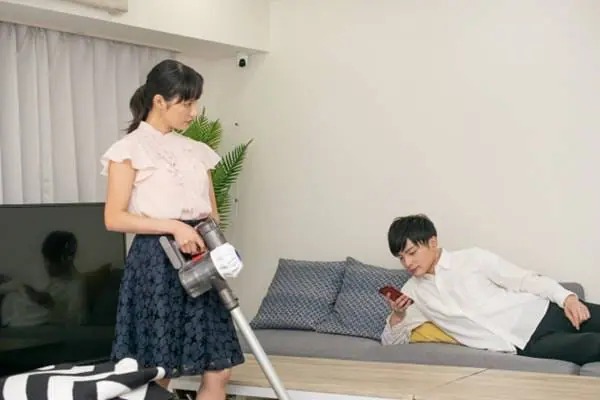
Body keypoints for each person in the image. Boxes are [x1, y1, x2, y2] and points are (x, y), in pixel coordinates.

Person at [100, 59, 244, 400]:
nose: (193, 112)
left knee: (219, 368)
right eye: (186, 103)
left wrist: (220, 249)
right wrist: (174, 227)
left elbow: (210, 213)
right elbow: (114, 218)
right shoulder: (128, 151)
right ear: (159, 101)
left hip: (200, 257)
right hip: (156, 264)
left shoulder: (198, 152)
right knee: (158, 371)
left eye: (195, 103)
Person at [381, 214, 600, 366]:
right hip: (525, 345)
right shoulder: (412, 293)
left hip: (543, 312)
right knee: (594, 346)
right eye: (401, 258)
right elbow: (390, 345)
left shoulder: (471, 259)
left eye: (412, 252)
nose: (407, 263)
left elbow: (524, 280)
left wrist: (567, 298)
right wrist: (398, 316)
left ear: (432, 242)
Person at [0, 230, 85, 327]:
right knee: (13, 298)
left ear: (64, 259)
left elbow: (52, 304)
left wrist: (23, 288)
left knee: (13, 300)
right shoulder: (59, 281)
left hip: (55, 325)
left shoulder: (75, 285)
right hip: (45, 318)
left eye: (50, 262)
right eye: (46, 261)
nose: (46, 266)